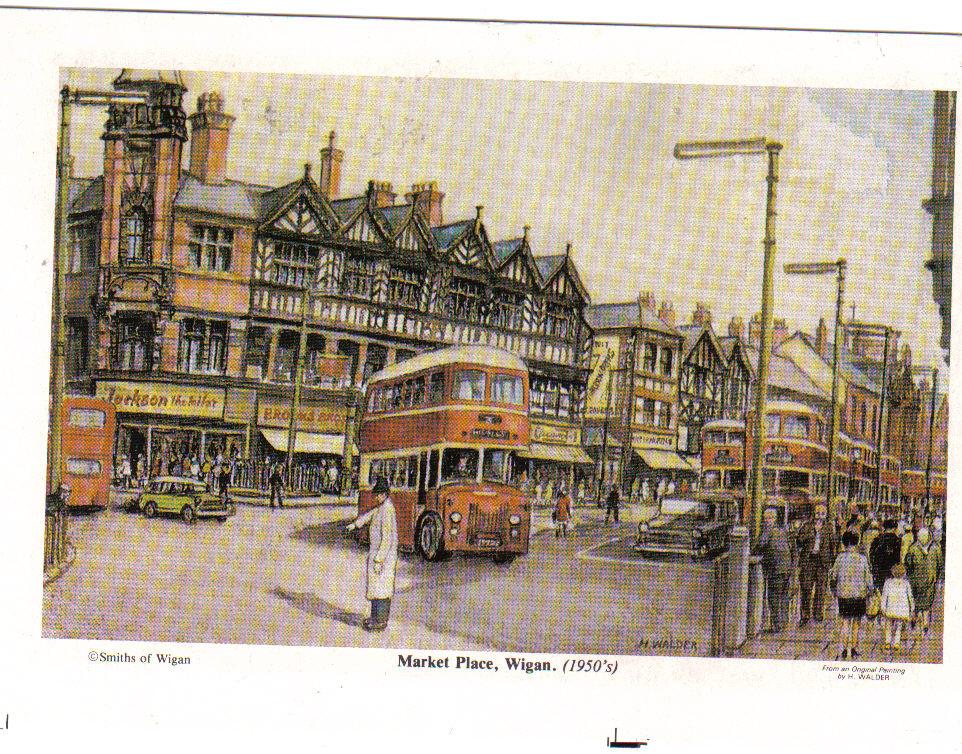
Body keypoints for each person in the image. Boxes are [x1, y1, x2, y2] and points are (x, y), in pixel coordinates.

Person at [345, 476, 399, 632]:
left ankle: (380, 621)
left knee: (382, 590)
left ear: (384, 494)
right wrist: (355, 524)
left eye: (378, 494)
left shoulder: (387, 509)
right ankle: (375, 617)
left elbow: (387, 538)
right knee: (376, 588)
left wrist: (379, 560)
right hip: (378, 554)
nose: (376, 497)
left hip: (384, 557)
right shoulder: (382, 507)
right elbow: (369, 515)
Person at [829, 529, 873, 660]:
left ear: (844, 543)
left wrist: (834, 590)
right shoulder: (862, 559)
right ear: (857, 542)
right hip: (859, 595)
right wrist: (870, 591)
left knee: (845, 622)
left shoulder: (840, 558)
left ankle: (843, 648)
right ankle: (853, 648)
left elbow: (833, 575)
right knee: (856, 623)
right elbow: (868, 578)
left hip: (844, 594)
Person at [795, 504, 838, 625]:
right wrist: (811, 534)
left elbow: (834, 544)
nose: (820, 516)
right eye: (818, 513)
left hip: (822, 562)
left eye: (822, 513)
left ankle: (818, 614)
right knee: (806, 589)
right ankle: (805, 615)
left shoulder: (829, 527)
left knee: (820, 589)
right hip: (808, 561)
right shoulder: (807, 526)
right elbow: (799, 540)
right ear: (814, 513)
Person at [754, 507, 792, 633]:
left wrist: (753, 552)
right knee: (783, 596)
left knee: (773, 598)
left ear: (774, 519)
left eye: (769, 518)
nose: (767, 521)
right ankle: (784, 622)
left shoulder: (768, 531)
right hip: (786, 568)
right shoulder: (782, 531)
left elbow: (761, 545)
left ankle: (776, 626)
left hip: (775, 569)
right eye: (766, 518)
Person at [904, 528, 942, 636]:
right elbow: (940, 565)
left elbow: (908, 563)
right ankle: (925, 622)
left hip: (915, 579)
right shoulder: (935, 548)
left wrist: (910, 574)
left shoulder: (913, 548)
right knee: (927, 602)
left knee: (915, 600)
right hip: (930, 580)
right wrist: (936, 577)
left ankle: (914, 618)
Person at [881, 563, 914, 652]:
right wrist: (912, 608)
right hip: (901, 609)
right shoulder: (906, 583)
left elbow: (884, 596)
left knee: (888, 625)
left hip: (890, 608)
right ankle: (896, 642)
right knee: (899, 626)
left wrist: (883, 607)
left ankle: (888, 642)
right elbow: (910, 596)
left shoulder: (888, 582)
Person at [869, 519, 902, 590]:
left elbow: (872, 555)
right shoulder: (897, 540)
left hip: (879, 572)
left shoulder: (877, 539)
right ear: (894, 528)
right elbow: (898, 558)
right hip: (892, 573)